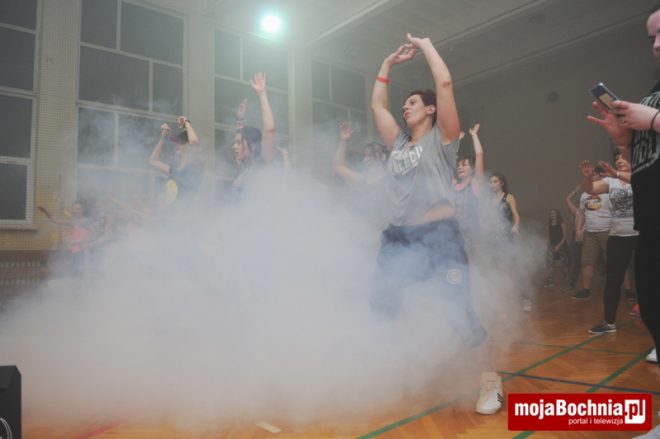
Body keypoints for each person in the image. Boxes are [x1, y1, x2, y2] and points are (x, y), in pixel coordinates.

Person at [370, 33, 494, 415]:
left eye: (412, 103)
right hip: (398, 237)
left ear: (429, 110)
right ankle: (400, 367)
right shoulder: (399, 143)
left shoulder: (443, 140)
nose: (404, 107)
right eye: (404, 104)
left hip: (438, 237)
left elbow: (444, 83)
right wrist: (387, 63)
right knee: (384, 303)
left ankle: (490, 381)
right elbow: (377, 105)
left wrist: (425, 46)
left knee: (459, 310)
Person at [586, 3, 660, 379]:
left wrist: (654, 118)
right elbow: (644, 160)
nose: (656, 44)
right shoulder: (655, 89)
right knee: (653, 309)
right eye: (652, 38)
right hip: (651, 220)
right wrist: (625, 141)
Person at [579, 155, 637, 335]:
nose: (619, 160)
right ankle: (609, 322)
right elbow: (590, 189)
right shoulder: (611, 181)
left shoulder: (641, 175)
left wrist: (617, 174)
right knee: (612, 280)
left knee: (648, 278)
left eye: (623, 157)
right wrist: (587, 177)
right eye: (617, 158)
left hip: (641, 235)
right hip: (617, 236)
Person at [487, 172, 528, 311]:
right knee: (496, 269)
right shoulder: (488, 199)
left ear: (501, 183)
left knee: (514, 268)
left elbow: (516, 215)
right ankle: (500, 301)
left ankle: (525, 298)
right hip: (494, 239)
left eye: (495, 181)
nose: (492, 184)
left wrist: (516, 226)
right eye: (490, 182)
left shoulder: (509, 197)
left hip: (507, 237)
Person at [231, 72, 276, 194]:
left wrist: (262, 94)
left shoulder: (262, 163)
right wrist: (240, 119)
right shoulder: (244, 166)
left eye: (238, 143)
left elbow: (269, 130)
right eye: (235, 143)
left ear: (253, 145)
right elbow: (242, 134)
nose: (234, 146)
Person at [570, 167, 611, 301]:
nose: (590, 176)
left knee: (614, 261)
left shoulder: (608, 192)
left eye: (593, 174)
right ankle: (586, 290)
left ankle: (627, 290)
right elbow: (581, 213)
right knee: (586, 262)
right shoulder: (584, 195)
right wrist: (578, 229)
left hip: (607, 231)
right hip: (590, 234)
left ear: (600, 176)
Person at [148, 115, 202, 205]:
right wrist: (164, 137)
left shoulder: (194, 167)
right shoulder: (174, 169)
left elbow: (194, 142)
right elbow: (152, 161)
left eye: (180, 142)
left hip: (184, 213)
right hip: (170, 213)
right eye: (176, 142)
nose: (177, 144)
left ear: (189, 146)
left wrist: (186, 123)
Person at [38, 201, 91, 277]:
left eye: (78, 209)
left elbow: (92, 237)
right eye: (75, 209)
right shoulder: (73, 222)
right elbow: (55, 220)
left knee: (83, 273)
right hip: (75, 252)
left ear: (83, 210)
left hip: (84, 252)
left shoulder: (87, 221)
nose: (76, 211)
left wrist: (80, 242)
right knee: (75, 274)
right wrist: (46, 212)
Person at [453, 123, 485, 248]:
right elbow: (447, 161)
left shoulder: (475, 182)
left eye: (464, 165)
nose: (460, 168)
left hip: (472, 234)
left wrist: (474, 135)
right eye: (459, 166)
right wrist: (456, 143)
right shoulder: (454, 185)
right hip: (455, 232)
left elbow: (479, 155)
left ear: (472, 169)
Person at [543, 208, 569, 289]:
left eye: (554, 213)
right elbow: (548, 237)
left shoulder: (561, 224)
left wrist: (559, 245)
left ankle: (567, 282)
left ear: (557, 215)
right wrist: (546, 246)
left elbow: (565, 236)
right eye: (551, 213)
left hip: (562, 245)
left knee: (564, 264)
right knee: (549, 264)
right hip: (552, 246)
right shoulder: (548, 226)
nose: (552, 215)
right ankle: (551, 282)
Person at [564, 184, 583, 292]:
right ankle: (571, 284)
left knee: (589, 262)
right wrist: (576, 190)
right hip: (576, 238)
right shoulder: (577, 211)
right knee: (576, 261)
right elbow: (568, 199)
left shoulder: (592, 211)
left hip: (588, 237)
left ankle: (602, 277)